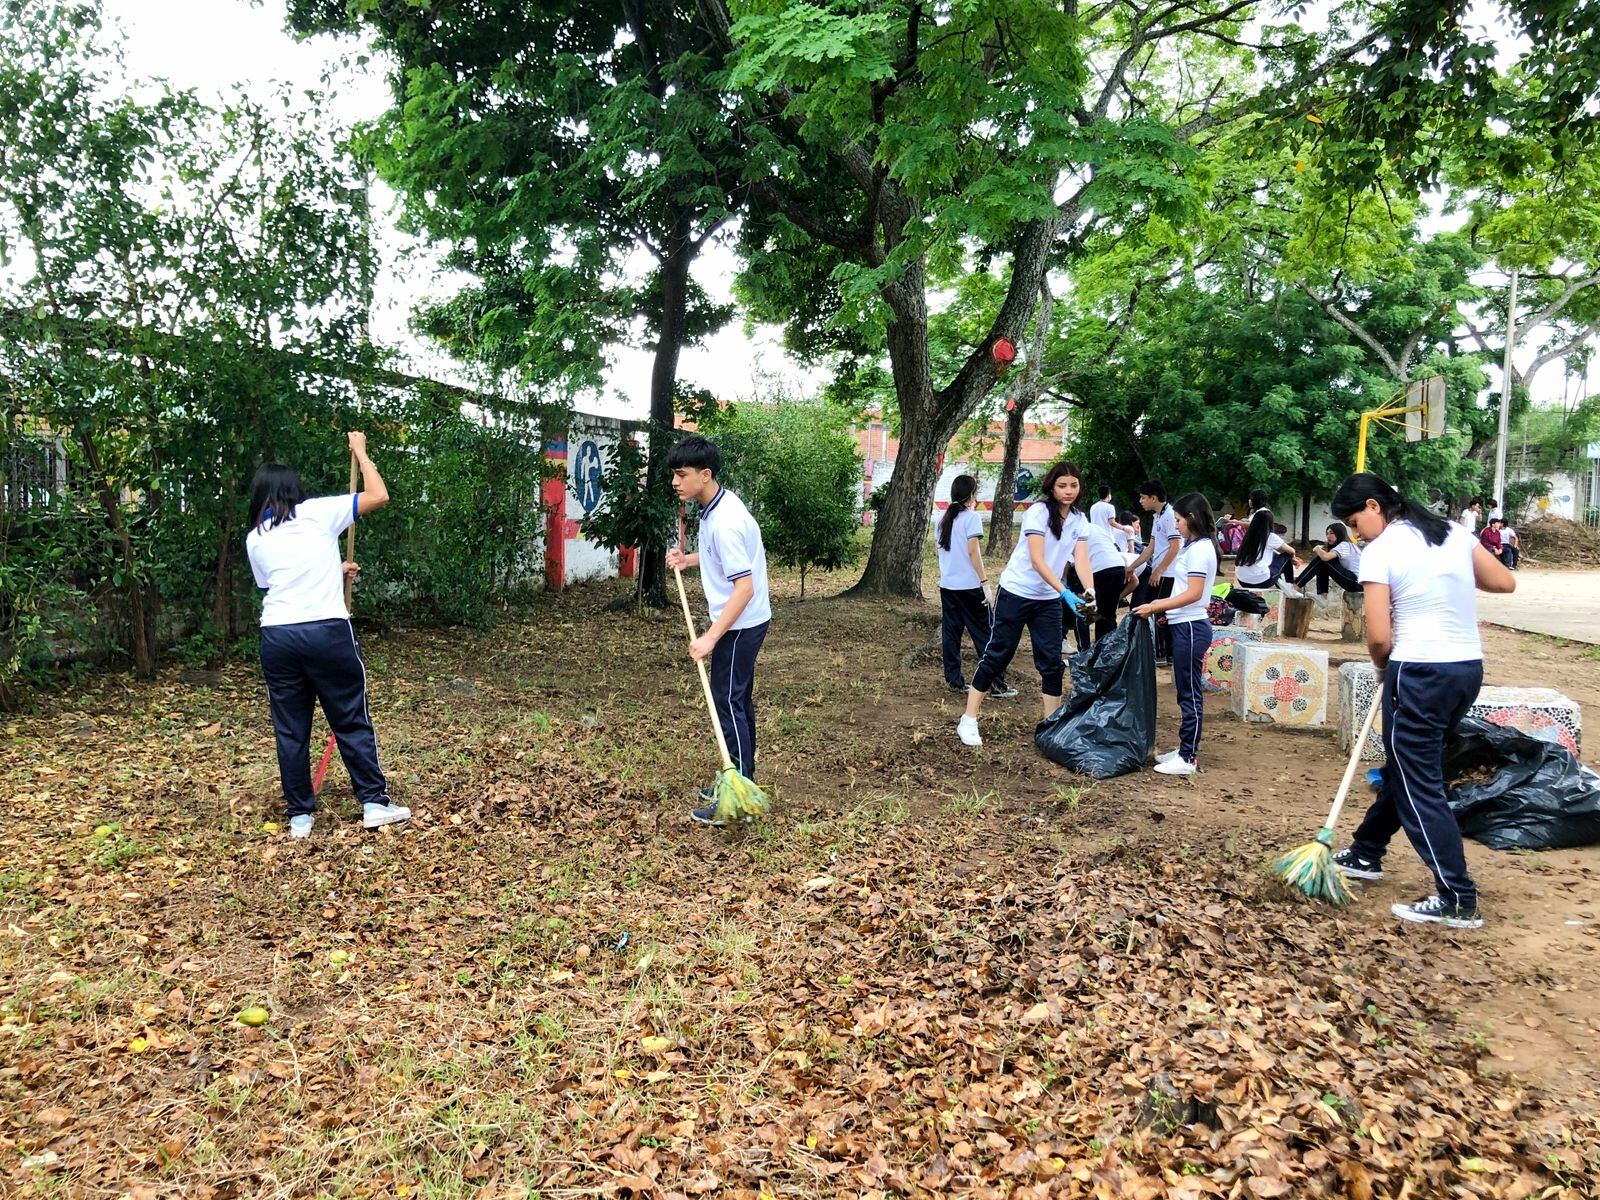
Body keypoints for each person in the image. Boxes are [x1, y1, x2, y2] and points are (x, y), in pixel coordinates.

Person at [1330, 472, 1516, 928]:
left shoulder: (1381, 551)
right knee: (1410, 767)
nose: (1356, 533)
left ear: (1375, 506)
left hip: (1418, 670)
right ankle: (1366, 851)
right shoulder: (1452, 532)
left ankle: (1457, 895)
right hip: (1465, 669)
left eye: (1355, 521)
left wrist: (1381, 669)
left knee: (1419, 784)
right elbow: (1503, 581)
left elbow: (1378, 637)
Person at [247, 432, 410, 839]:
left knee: (290, 728)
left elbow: (278, 585)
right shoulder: (319, 512)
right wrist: (361, 453)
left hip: (279, 637)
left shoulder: (256, 538)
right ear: (295, 490)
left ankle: (300, 816)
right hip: (326, 632)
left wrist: (332, 572)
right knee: (350, 717)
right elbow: (378, 495)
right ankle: (374, 803)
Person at [665, 435, 772, 826]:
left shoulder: (724, 520)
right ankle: (739, 778)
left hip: (740, 623)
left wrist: (711, 637)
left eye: (682, 474)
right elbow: (719, 557)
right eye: (675, 474)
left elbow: (744, 587)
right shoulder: (714, 506)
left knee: (728, 703)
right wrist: (689, 559)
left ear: (704, 474)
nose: (675, 482)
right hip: (742, 620)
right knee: (737, 701)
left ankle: (738, 793)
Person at [957, 461, 1091, 747]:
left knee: (1052, 663)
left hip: (1047, 600)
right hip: (1017, 592)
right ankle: (968, 719)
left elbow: (1081, 559)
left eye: (1073, 485)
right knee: (998, 654)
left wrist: (1089, 590)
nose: (1068, 491)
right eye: (1062, 486)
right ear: (1052, 488)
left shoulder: (1080, 519)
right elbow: (1038, 560)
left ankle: (1050, 728)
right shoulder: (1038, 513)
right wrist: (1065, 591)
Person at [1134, 492, 1219, 776]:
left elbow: (1194, 593)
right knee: (1184, 690)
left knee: (1190, 692)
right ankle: (1184, 748)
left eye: (1180, 520)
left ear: (1192, 519)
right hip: (1183, 624)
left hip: (1192, 627)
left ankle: (1188, 758)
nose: (1177, 525)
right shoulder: (1191, 546)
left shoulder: (1199, 549)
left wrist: (1158, 604)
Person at [935, 475, 1016, 698]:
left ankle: (954, 680)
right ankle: (996, 684)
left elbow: (942, 551)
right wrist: (985, 583)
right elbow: (973, 552)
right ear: (971, 495)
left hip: (948, 585)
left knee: (951, 633)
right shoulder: (972, 518)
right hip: (970, 587)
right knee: (985, 634)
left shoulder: (942, 517)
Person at [1124, 481, 1182, 663]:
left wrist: (1159, 571)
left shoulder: (1170, 516)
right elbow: (1151, 548)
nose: (1141, 501)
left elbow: (1175, 547)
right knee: (1151, 609)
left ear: (1154, 498)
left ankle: (1166, 654)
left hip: (1168, 574)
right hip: (1160, 572)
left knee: (1161, 612)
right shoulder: (1158, 516)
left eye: (1143, 497)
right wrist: (1132, 566)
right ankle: (1159, 652)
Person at [1234, 489, 1300, 592]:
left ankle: (1283, 584)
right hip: (1261, 582)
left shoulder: (1247, 536)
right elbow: (1291, 551)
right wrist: (1293, 558)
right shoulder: (1269, 536)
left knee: (1273, 559)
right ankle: (1290, 587)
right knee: (1287, 556)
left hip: (1242, 580)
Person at [1294, 521, 1362, 597]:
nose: (1328, 536)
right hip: (1356, 583)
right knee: (1323, 564)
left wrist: (1317, 549)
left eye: (1331, 533)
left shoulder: (1344, 545)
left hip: (1356, 583)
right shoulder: (1350, 545)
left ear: (1339, 533)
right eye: (1327, 533)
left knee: (1322, 560)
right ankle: (1322, 596)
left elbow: (1325, 557)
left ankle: (1295, 586)